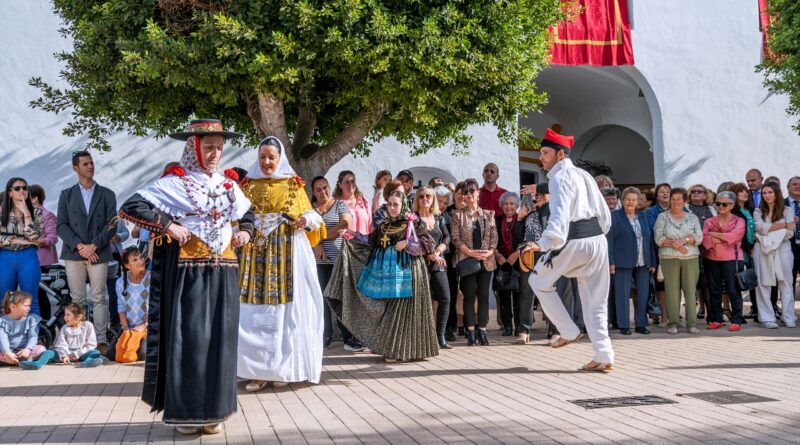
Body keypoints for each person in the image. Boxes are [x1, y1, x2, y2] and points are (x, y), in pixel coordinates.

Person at [119, 119, 254, 435]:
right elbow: (132, 205)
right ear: (195, 148)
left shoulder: (228, 185)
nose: (214, 153)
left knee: (220, 339)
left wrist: (245, 232)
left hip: (223, 269)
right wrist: (167, 225)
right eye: (208, 147)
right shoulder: (176, 183)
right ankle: (187, 414)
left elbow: (248, 213)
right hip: (189, 271)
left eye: (218, 147)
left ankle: (214, 412)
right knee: (190, 339)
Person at [237, 136, 324, 392]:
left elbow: (312, 215)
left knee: (285, 312)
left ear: (279, 158)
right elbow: (238, 217)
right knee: (252, 311)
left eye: (271, 157)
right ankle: (256, 371)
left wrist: (304, 222)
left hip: (286, 251)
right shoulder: (247, 186)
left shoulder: (292, 185)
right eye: (262, 157)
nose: (266, 162)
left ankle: (283, 369)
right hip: (254, 254)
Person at [524, 129, 613, 372]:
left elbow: (560, 215)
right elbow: (604, 214)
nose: (541, 157)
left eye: (545, 153)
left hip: (573, 239)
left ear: (560, 154)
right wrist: (599, 236)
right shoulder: (584, 175)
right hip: (597, 241)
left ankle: (568, 330)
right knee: (596, 301)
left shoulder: (559, 178)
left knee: (538, 282)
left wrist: (543, 244)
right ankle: (604, 354)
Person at [325, 190, 439, 362]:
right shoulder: (384, 225)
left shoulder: (413, 223)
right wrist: (352, 234)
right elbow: (370, 240)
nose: (392, 208)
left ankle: (403, 351)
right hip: (387, 277)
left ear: (403, 206)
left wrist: (408, 243)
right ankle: (395, 350)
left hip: (408, 272)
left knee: (403, 313)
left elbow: (429, 243)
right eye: (389, 204)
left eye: (396, 204)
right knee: (391, 313)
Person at [57, 151, 118, 353]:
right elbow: (61, 225)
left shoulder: (107, 194)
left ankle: (100, 341)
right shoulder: (66, 195)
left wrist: (93, 246)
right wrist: (81, 246)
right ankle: (79, 341)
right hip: (74, 253)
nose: (90, 166)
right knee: (78, 298)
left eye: (91, 163)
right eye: (85, 164)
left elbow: (112, 225)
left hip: (98, 252)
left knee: (100, 296)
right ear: (76, 168)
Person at [310, 176, 359, 350]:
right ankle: (326, 335)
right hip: (317, 260)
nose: (323, 192)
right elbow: (304, 232)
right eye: (318, 190)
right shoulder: (310, 210)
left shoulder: (339, 205)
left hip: (338, 259)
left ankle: (348, 337)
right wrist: (315, 243)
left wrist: (319, 238)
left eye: (325, 187)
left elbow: (345, 223)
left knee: (339, 298)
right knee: (321, 298)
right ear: (313, 192)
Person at [452, 179, 498, 346]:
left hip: (487, 261)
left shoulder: (489, 214)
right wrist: (471, 252)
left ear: (478, 192)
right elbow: (455, 239)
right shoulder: (458, 214)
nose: (469, 195)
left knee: (484, 296)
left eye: (472, 191)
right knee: (469, 296)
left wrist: (490, 251)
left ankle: (483, 331)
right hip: (467, 261)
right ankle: (471, 331)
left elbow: (494, 236)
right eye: (466, 192)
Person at [607, 187, 657, 335]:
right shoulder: (614, 216)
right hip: (621, 261)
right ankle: (623, 325)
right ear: (622, 201)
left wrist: (652, 262)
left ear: (637, 202)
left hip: (643, 261)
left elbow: (649, 240)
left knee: (643, 293)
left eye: (634, 200)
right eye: (628, 199)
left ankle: (641, 324)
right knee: (622, 294)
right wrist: (611, 261)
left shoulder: (643, 216)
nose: (631, 202)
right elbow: (609, 241)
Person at [654, 188, 703, 334]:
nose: (675, 202)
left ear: (684, 201)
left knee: (690, 290)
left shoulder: (692, 218)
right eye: (673, 199)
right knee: (672, 291)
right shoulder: (662, 217)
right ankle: (673, 323)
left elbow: (699, 238)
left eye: (678, 199)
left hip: (691, 258)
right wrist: (677, 246)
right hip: (669, 258)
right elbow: (658, 238)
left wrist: (684, 240)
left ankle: (692, 323)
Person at [753, 182, 798, 329]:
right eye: (764, 193)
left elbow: (790, 233)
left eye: (770, 192)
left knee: (785, 283)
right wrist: (783, 225)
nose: (767, 196)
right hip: (762, 250)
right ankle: (767, 318)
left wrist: (768, 232)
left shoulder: (787, 210)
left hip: (783, 249)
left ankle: (788, 316)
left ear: (776, 193)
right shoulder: (758, 211)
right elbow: (759, 227)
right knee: (763, 284)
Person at [413, 185, 452, 349]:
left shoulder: (439, 217)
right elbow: (413, 241)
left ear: (433, 199)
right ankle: (423, 338)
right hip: (420, 264)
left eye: (428, 196)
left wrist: (437, 251)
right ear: (417, 199)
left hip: (438, 263)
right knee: (423, 302)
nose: (425, 199)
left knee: (445, 299)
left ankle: (440, 336)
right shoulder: (413, 219)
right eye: (421, 196)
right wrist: (430, 255)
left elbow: (447, 238)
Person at [702, 191, 746, 331]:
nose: (721, 206)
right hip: (711, 259)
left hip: (732, 259)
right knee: (714, 290)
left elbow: (735, 237)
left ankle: (736, 320)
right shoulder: (709, 221)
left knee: (733, 290)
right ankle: (716, 318)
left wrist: (715, 235)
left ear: (732, 205)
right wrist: (724, 237)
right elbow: (705, 240)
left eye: (724, 204)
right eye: (718, 203)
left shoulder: (739, 221)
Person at [0, 178, 44, 316]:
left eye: (25, 188)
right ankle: (6, 336)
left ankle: (32, 336)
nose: (22, 191)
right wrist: (17, 240)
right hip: (5, 257)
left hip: (28, 257)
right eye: (17, 188)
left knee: (31, 300)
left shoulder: (36, 212)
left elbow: (34, 237)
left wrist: (26, 213)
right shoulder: (2, 213)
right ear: (10, 193)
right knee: (5, 300)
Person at [515, 186, 543, 344]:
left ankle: (554, 330)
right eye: (531, 199)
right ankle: (524, 331)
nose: (534, 201)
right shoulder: (524, 214)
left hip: (546, 254)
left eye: (537, 197)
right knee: (526, 292)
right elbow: (517, 237)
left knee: (549, 291)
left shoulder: (549, 211)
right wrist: (520, 219)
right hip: (527, 255)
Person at [494, 191, 524, 337]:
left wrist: (516, 254)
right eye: (506, 203)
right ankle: (507, 326)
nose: (509, 206)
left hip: (519, 262)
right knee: (503, 295)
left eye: (512, 203)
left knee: (519, 295)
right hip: (501, 262)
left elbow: (527, 239)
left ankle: (519, 326)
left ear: (517, 205)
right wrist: (497, 255)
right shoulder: (496, 220)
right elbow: (491, 240)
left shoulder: (522, 219)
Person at [112, 246, 149, 363]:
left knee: (143, 354)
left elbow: (157, 308)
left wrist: (144, 325)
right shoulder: (120, 282)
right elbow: (121, 307)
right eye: (135, 260)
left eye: (141, 257)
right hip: (130, 327)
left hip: (148, 327)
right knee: (112, 353)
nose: (141, 261)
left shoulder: (152, 278)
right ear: (127, 266)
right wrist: (126, 328)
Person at [0, 291, 54, 370]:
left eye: (29, 306)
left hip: (25, 351)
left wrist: (28, 349)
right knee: (4, 353)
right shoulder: (3, 321)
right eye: (26, 306)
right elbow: (2, 339)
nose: (29, 308)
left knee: (41, 349)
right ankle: (12, 359)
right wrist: (7, 352)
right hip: (7, 351)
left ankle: (20, 360)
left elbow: (33, 336)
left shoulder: (31, 319)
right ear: (13, 307)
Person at [687, 184, 716, 320]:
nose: (696, 193)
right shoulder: (686, 209)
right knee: (693, 283)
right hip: (692, 251)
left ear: (706, 195)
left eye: (700, 191)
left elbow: (716, 228)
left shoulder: (711, 209)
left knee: (707, 283)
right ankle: (691, 315)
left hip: (709, 251)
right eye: (693, 191)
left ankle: (712, 314)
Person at [645, 183, 672, 325]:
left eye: (668, 191)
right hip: (658, 252)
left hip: (676, 252)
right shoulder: (651, 212)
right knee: (660, 285)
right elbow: (653, 231)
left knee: (675, 285)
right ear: (656, 195)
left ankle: (674, 314)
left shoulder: (680, 209)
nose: (665, 193)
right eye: (662, 191)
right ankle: (662, 315)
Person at [53, 302, 104, 367]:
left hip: (81, 354)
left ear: (78, 317)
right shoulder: (65, 328)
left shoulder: (88, 325)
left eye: (68, 315)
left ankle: (86, 363)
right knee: (49, 353)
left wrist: (77, 354)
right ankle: (37, 364)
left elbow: (91, 344)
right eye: (65, 315)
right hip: (67, 354)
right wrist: (64, 355)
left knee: (96, 352)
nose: (64, 318)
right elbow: (61, 344)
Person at [28, 184, 58, 267]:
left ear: (34, 199)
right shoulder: (24, 215)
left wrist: (33, 241)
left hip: (41, 262)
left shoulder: (48, 215)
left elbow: (52, 238)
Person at [335, 170, 372, 235]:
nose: (350, 184)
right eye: (347, 182)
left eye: (352, 181)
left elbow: (370, 225)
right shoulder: (336, 204)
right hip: (347, 244)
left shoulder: (364, 201)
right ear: (340, 185)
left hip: (365, 243)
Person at [785, 176, 800, 295]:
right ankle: (789, 312)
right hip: (788, 247)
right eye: (794, 184)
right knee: (789, 281)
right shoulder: (781, 205)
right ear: (788, 188)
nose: (798, 186)